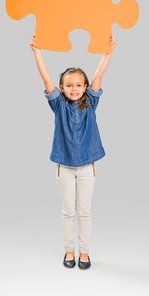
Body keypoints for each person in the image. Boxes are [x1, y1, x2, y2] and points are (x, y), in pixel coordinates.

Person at [30, 33, 117, 269]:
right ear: (62, 88)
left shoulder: (91, 100)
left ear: (85, 87)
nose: (74, 89)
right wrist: (37, 52)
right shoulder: (58, 104)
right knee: (68, 211)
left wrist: (107, 52)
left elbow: (99, 74)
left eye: (79, 85)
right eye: (69, 85)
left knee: (85, 211)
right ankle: (69, 251)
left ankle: (85, 253)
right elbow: (45, 77)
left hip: (87, 165)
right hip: (64, 166)